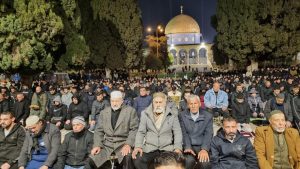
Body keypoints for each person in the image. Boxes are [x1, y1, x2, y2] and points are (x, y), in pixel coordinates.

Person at [85, 91, 139, 169]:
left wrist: (128, 144)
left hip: (123, 144)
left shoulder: (130, 111)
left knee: (128, 158)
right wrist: (97, 145)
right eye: (112, 101)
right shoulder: (104, 112)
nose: (114, 103)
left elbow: (134, 129)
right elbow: (98, 130)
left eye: (117, 101)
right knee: (92, 159)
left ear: (122, 101)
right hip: (107, 145)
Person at [132, 92, 182, 169]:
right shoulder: (145, 113)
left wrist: (177, 148)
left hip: (167, 148)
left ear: (165, 103)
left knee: (171, 163)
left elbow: (177, 132)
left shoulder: (172, 114)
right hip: (149, 148)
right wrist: (138, 146)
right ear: (153, 103)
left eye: (160, 102)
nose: (158, 104)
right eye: (156, 102)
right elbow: (141, 132)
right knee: (138, 159)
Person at [179, 95, 213, 169]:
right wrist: (187, 147)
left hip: (202, 145)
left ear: (199, 104)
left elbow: (208, 134)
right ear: (188, 105)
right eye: (191, 104)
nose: (193, 106)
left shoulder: (208, 116)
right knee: (188, 162)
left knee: (205, 163)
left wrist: (204, 149)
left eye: (195, 103)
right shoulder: (182, 115)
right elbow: (184, 133)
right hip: (189, 146)